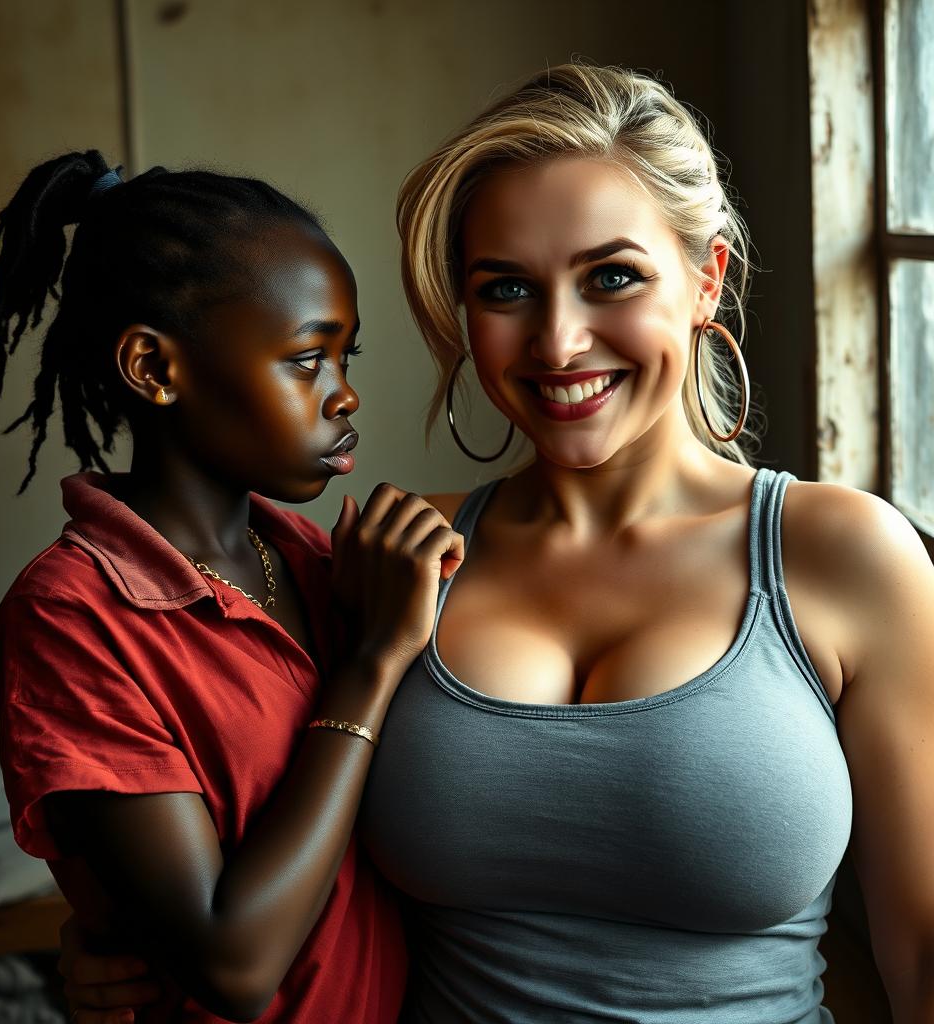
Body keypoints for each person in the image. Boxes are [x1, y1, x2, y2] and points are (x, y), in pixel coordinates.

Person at [65, 64, 934, 1023]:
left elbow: (921, 952)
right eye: (507, 289)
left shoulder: (845, 556)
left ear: (705, 279)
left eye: (612, 277)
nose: (558, 343)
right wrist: (119, 935)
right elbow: (261, 841)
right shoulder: (390, 559)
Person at [0, 151, 464, 1024]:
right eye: (307, 360)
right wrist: (371, 668)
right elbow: (232, 966)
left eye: (348, 358)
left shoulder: (320, 563)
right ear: (155, 369)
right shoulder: (75, 617)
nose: (345, 396)